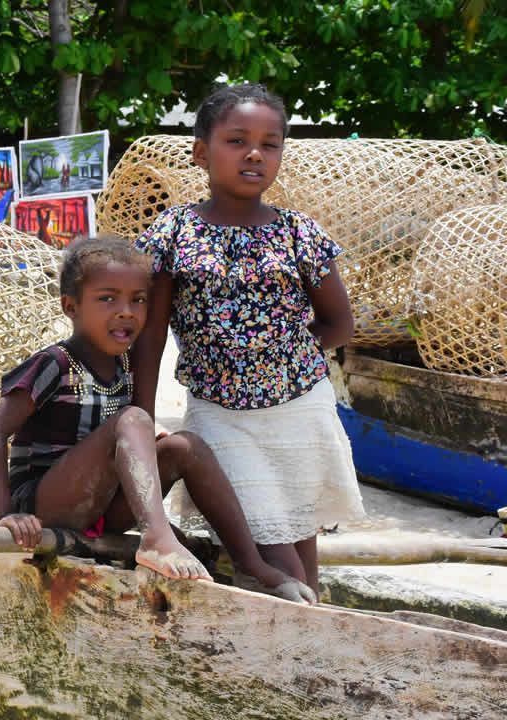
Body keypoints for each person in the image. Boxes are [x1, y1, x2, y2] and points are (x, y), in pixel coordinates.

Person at [0, 235, 315, 600]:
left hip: (101, 508)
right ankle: (156, 539)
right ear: (70, 306)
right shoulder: (55, 364)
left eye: (137, 300)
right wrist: (8, 515)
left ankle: (252, 566)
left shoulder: (125, 366)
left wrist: (142, 449)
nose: (126, 311)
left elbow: (122, 446)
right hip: (46, 505)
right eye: (107, 299)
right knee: (136, 417)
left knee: (186, 446)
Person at [131, 83, 365, 595]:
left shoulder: (298, 233)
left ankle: (307, 649)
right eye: (236, 140)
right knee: (273, 554)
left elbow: (339, 324)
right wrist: (142, 419)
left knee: (300, 543)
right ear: (200, 152)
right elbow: (150, 336)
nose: (255, 153)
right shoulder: (173, 233)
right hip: (220, 414)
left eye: (270, 143)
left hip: (299, 409)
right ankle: (305, 635)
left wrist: (281, 353)